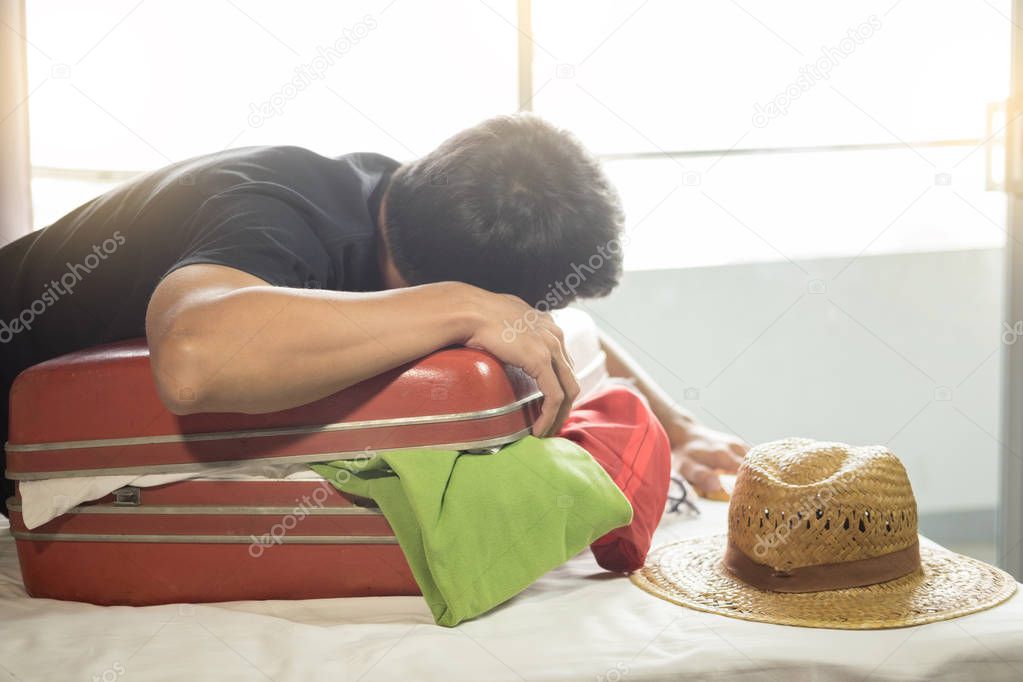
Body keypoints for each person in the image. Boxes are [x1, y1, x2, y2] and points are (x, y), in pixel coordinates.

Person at [0, 114, 746, 511]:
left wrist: (676, 429)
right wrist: (458, 306)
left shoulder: (415, 206)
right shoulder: (280, 213)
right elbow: (196, 360)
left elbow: (544, 328)